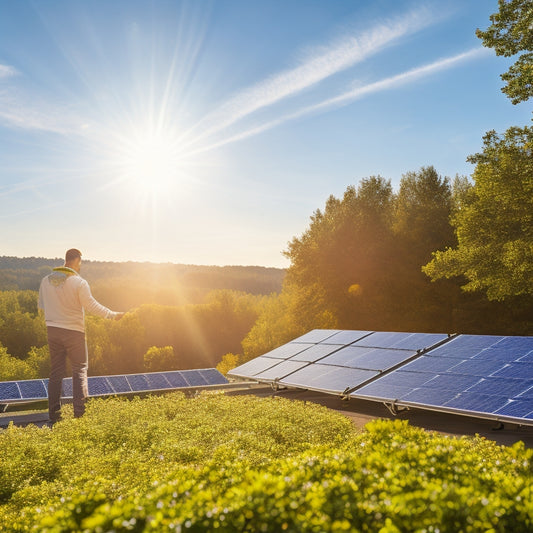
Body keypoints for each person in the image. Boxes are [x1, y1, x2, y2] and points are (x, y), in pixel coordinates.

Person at [38, 248, 124, 424]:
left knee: (56, 372)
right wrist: (112, 315)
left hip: (52, 330)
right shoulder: (79, 282)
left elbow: (42, 306)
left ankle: (54, 415)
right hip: (74, 332)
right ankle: (79, 415)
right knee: (79, 371)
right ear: (77, 260)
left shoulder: (45, 281)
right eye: (81, 262)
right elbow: (91, 305)